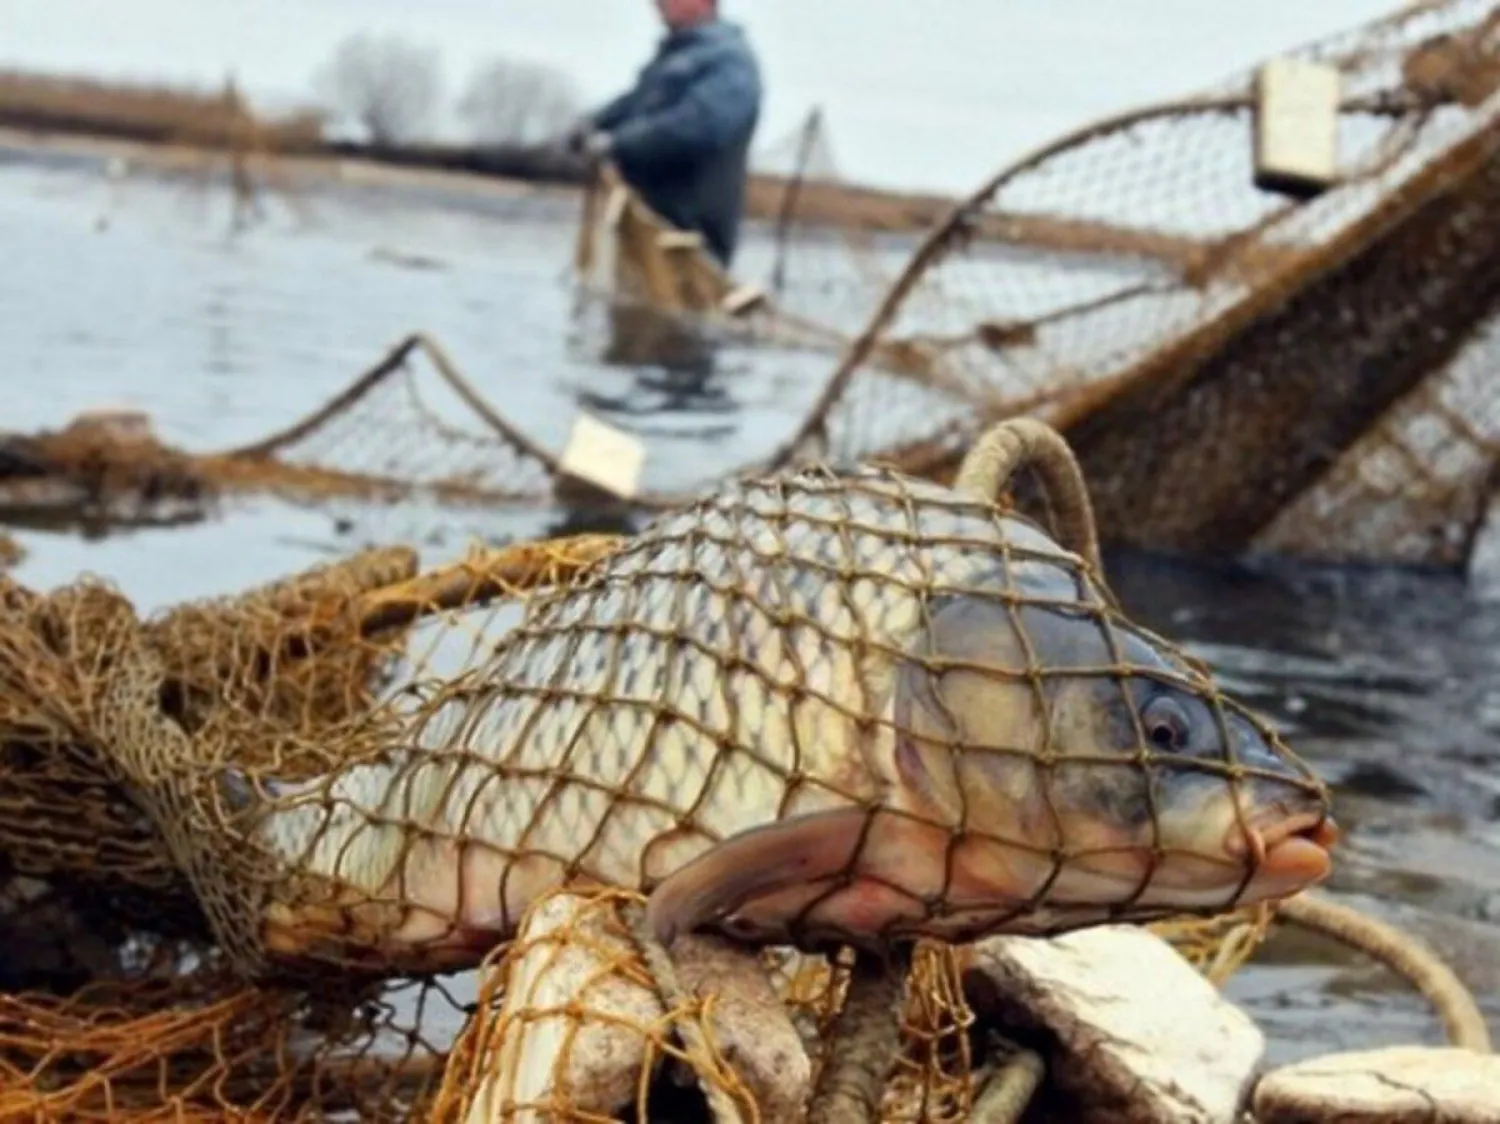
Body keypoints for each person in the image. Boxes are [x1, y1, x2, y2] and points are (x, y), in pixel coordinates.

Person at [569, 0, 762, 267]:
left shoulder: (729, 62)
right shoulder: (670, 59)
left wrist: (616, 143)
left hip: (691, 234)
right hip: (647, 224)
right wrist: (593, 124)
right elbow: (634, 104)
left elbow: (699, 126)